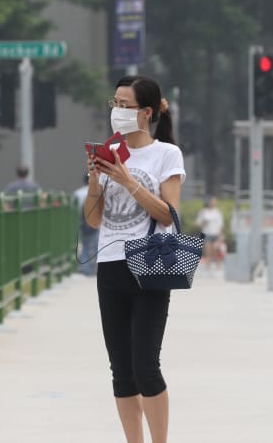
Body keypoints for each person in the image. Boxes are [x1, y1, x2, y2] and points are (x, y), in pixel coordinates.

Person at [84, 75, 185, 443]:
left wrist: (129, 182)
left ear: (145, 112)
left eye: (124, 106)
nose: (117, 112)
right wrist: (96, 178)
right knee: (121, 371)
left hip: (150, 265)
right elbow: (94, 219)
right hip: (110, 265)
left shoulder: (166, 154)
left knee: (146, 366)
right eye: (114, 104)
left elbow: (168, 214)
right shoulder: (109, 151)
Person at [74, 174, 99, 276]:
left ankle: (86, 270)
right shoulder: (98, 192)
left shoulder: (77, 193)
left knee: (85, 248)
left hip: (82, 225)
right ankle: (97, 270)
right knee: (98, 249)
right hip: (97, 225)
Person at [195, 196, 224, 272]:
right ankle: (207, 268)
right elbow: (198, 223)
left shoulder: (217, 212)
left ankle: (218, 267)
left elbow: (220, 225)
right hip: (206, 233)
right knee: (208, 252)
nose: (213, 203)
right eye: (212, 201)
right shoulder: (203, 211)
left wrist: (221, 235)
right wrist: (203, 223)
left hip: (215, 234)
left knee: (215, 250)